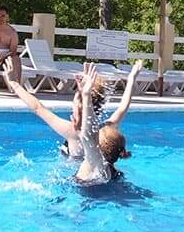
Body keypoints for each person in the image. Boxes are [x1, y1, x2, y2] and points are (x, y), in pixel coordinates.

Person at [8, 59, 144, 160]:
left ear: (79, 105)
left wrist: (15, 85)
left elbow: (38, 108)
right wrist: (132, 77)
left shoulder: (71, 131)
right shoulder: (105, 130)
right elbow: (123, 106)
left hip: (77, 178)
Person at [73, 63, 132, 185]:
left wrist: (86, 95)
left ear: (98, 147)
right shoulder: (110, 170)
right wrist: (131, 78)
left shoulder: (95, 160)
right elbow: (122, 107)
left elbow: (88, 134)